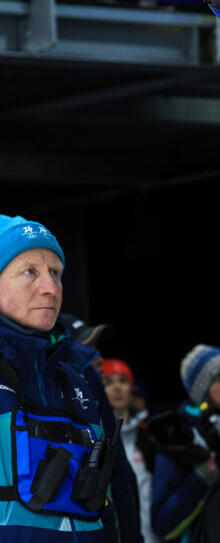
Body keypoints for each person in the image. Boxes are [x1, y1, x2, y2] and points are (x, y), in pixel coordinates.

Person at [0, 214, 141, 542]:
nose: (50, 288)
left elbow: (116, 488)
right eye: (30, 272)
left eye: (56, 273)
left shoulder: (80, 382)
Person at [150, 345, 220, 542]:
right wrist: (202, 478)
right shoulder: (180, 439)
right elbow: (162, 524)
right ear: (201, 390)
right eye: (218, 378)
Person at [102, 358, 159, 543]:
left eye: (123, 380)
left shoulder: (150, 436)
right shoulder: (95, 437)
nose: (117, 387)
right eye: (108, 382)